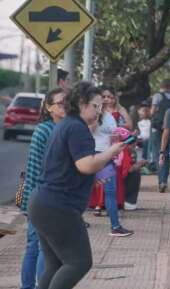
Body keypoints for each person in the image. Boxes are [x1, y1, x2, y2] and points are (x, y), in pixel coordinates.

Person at [28, 82, 125, 289]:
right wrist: (112, 151)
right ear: (81, 103)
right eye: (95, 106)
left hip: (44, 203)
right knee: (78, 262)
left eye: (101, 107)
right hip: (57, 207)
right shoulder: (76, 128)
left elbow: (73, 168)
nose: (99, 111)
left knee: (55, 265)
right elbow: (86, 165)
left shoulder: (68, 125)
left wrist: (92, 176)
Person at [20, 88, 66, 289]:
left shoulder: (60, 128)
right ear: (49, 107)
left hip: (44, 196)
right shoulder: (46, 130)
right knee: (41, 248)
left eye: (68, 103)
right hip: (42, 196)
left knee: (36, 246)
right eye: (61, 103)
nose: (65, 106)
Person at [91, 91, 134, 237]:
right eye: (100, 99)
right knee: (82, 189)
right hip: (91, 156)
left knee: (110, 190)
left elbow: (112, 136)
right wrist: (96, 117)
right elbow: (87, 131)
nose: (103, 101)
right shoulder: (89, 115)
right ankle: (74, 220)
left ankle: (115, 226)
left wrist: (119, 139)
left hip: (106, 156)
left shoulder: (110, 117)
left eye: (105, 98)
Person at [150, 79, 170, 192]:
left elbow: (152, 111)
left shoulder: (157, 96)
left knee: (159, 153)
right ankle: (167, 180)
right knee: (169, 153)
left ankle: (162, 181)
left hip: (157, 127)